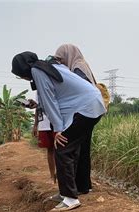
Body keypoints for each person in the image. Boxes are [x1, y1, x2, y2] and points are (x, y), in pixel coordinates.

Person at [11, 51, 106, 211]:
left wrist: (59, 129)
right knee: (70, 148)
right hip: (91, 104)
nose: (22, 78)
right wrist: (37, 106)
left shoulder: (37, 71)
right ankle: (65, 193)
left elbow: (50, 100)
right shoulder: (48, 66)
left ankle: (70, 199)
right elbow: (62, 96)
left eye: (19, 74)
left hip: (87, 107)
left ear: (23, 69)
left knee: (62, 148)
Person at [53, 44, 98, 196]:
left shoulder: (78, 68)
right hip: (90, 111)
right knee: (83, 148)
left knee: (71, 148)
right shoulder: (83, 65)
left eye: (61, 59)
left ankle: (77, 187)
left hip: (84, 112)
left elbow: (79, 91)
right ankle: (84, 185)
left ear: (68, 55)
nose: (60, 63)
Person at [31, 95, 56, 184]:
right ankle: (52, 176)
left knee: (61, 150)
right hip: (44, 123)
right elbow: (37, 108)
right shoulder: (38, 90)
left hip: (58, 122)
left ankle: (62, 176)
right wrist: (35, 125)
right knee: (50, 150)